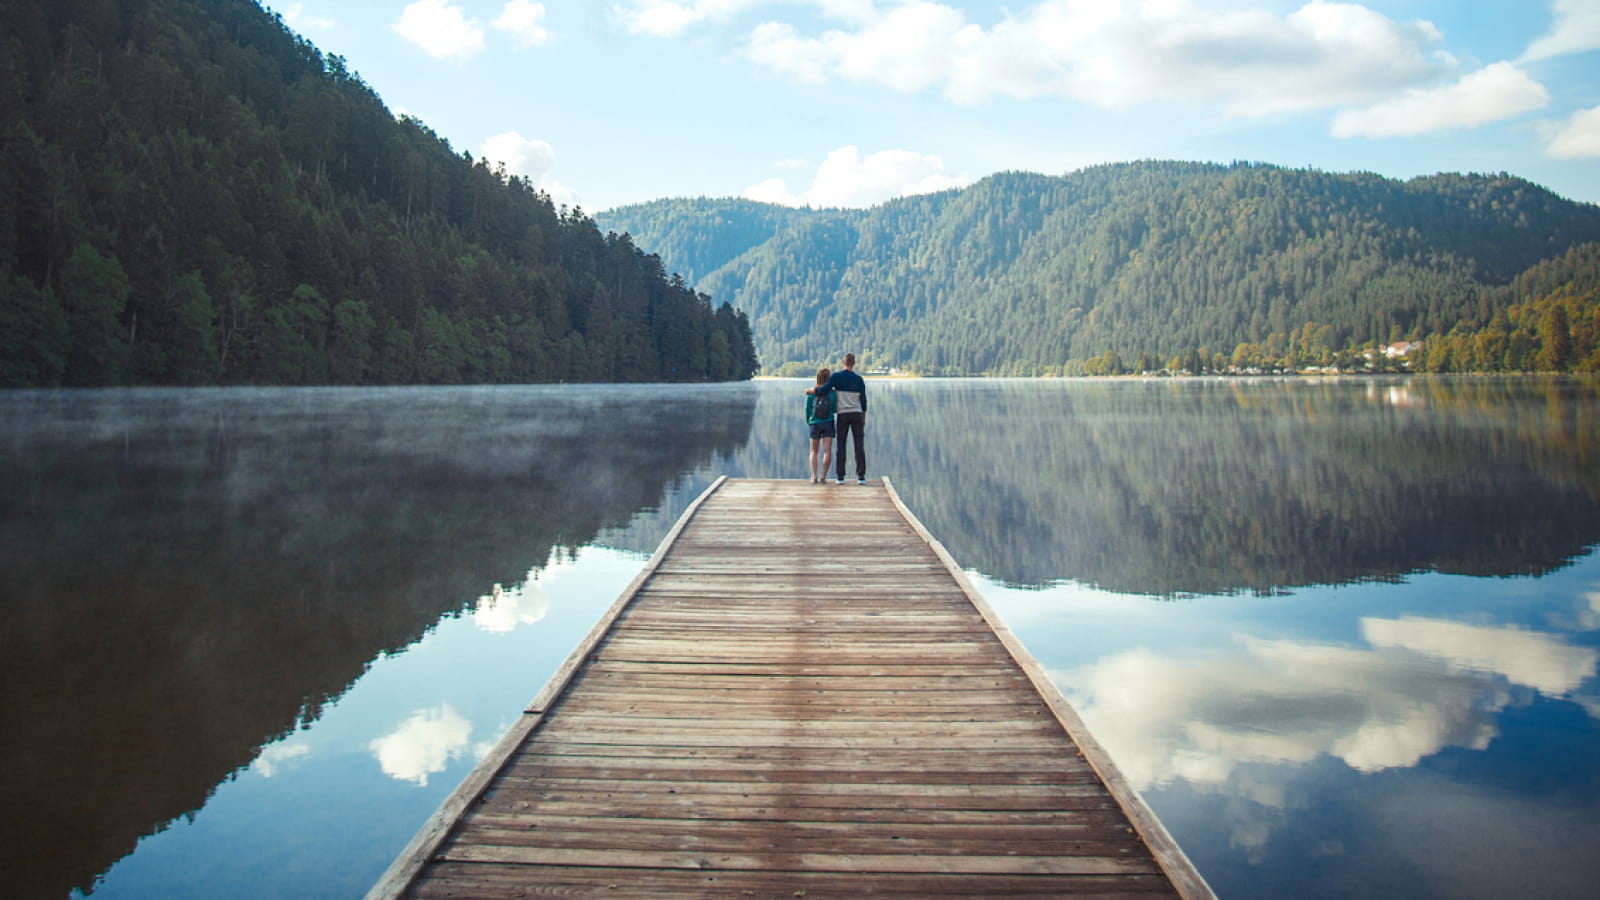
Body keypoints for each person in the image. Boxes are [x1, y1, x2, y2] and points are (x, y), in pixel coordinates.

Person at [809, 352, 867, 484]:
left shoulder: (836, 377)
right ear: (854, 363)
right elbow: (863, 402)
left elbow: (824, 390)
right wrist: (863, 418)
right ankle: (861, 476)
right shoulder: (859, 379)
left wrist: (812, 391)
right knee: (859, 445)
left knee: (841, 445)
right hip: (856, 414)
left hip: (843, 414)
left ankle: (840, 477)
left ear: (843, 362)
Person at [804, 367, 835, 483]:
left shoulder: (811, 392)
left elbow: (807, 408)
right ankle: (823, 477)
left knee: (813, 451)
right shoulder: (832, 393)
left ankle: (814, 476)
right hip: (828, 422)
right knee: (827, 451)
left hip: (814, 423)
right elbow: (834, 408)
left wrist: (809, 421)